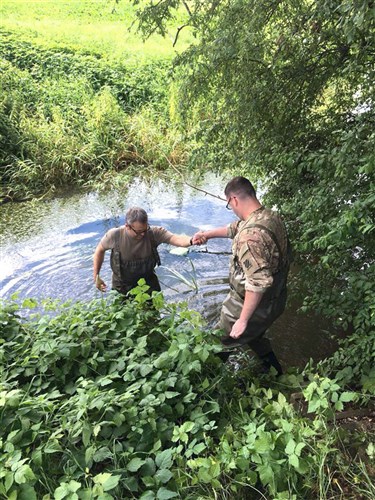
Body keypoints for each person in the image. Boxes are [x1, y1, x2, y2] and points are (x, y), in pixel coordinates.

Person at [193, 176, 291, 375]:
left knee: (218, 342)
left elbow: (257, 282)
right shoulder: (269, 217)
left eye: (230, 205)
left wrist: (243, 319)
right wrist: (207, 234)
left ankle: (205, 382)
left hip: (248, 305)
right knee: (254, 336)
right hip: (276, 300)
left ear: (234, 200)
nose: (232, 210)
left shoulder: (249, 238)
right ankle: (274, 371)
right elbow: (235, 228)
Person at [93, 207, 196, 296]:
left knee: (153, 315)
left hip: (149, 284)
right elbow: (99, 250)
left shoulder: (154, 233)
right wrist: (96, 276)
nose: (143, 234)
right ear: (127, 226)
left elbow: (176, 239)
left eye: (145, 230)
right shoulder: (114, 235)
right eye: (138, 232)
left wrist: (192, 240)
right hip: (122, 286)